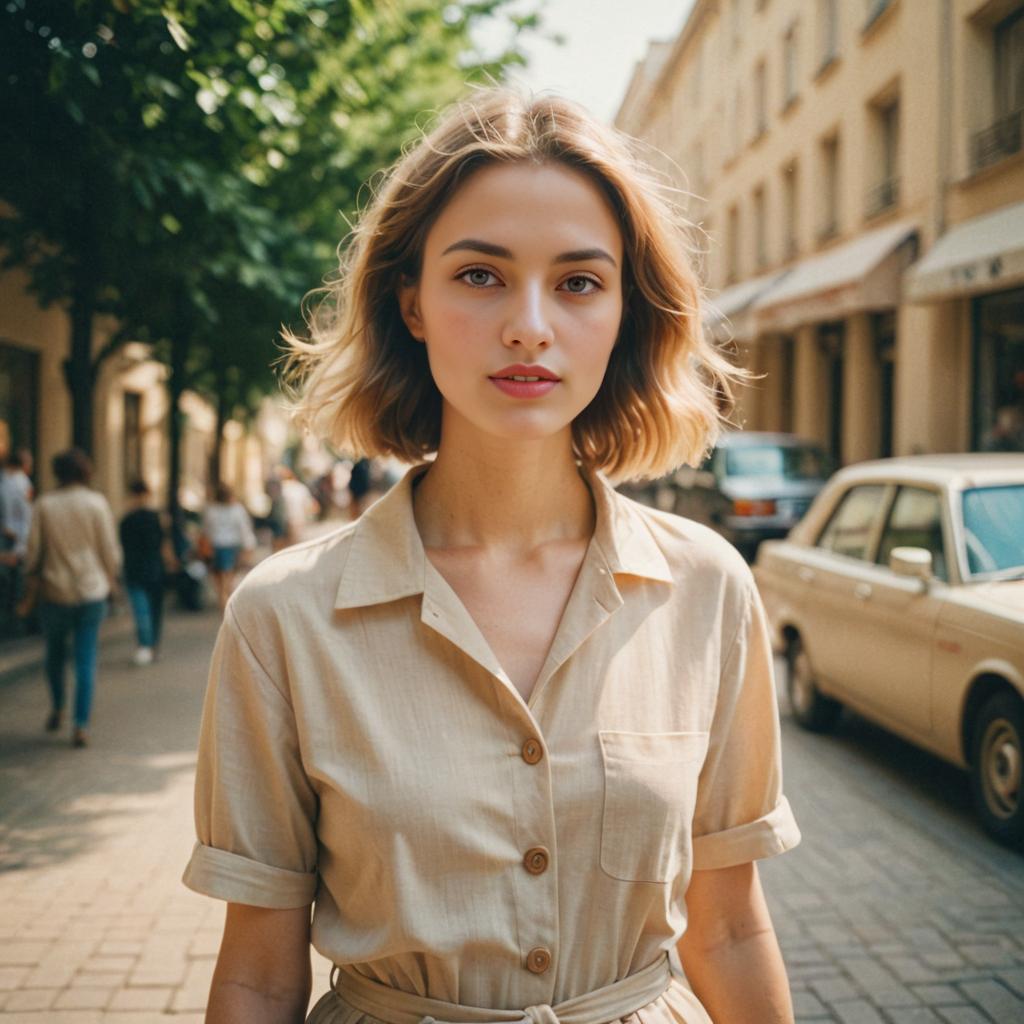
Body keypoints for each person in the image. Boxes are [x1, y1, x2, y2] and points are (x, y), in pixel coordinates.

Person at [183, 91, 801, 1024]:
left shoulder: (708, 589)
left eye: (579, 282)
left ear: (627, 312)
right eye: (480, 275)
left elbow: (729, 931)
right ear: (413, 302)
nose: (529, 326)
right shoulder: (283, 618)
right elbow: (260, 975)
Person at [23, 448, 120, 748]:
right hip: (91, 590)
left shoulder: (45, 504)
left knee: (54, 653)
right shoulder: (96, 503)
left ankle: (58, 707)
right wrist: (112, 579)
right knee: (85, 658)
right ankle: (80, 725)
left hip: (55, 590)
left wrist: (30, 581)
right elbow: (109, 550)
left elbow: (34, 552)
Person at [119, 479, 170, 665]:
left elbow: (122, 547)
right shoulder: (157, 517)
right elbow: (164, 544)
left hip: (134, 569)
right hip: (154, 568)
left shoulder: (126, 520)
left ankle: (145, 646)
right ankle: (153, 647)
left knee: (141, 611)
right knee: (155, 610)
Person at [199, 482, 256, 611]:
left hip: (214, 547)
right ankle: (226, 605)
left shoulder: (210, 510)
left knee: (219, 580)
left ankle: (223, 602)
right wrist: (248, 548)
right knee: (228, 579)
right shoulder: (237, 510)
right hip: (231, 547)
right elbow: (244, 530)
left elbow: (206, 530)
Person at [0, 448, 34, 634]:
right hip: (13, 539)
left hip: (8, 536)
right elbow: (25, 516)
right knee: (15, 585)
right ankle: (15, 624)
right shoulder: (22, 483)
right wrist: (23, 545)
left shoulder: (4, 481)